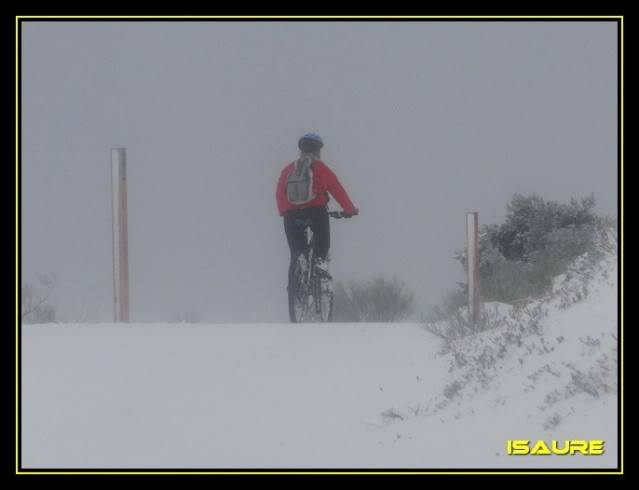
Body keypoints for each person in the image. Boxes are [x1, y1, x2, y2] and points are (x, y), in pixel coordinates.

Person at [276, 132, 358, 312]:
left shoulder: (288, 169)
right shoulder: (321, 168)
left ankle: (297, 279)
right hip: (315, 212)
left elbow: (279, 193)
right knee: (322, 244)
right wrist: (349, 210)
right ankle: (320, 266)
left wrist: (285, 212)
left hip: (291, 215)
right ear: (318, 150)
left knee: (297, 251)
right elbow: (337, 189)